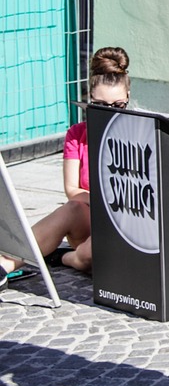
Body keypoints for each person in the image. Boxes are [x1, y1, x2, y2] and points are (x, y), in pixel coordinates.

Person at [0, 47, 131, 285]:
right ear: (89, 100)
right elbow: (72, 189)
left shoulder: (138, 133)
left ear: (128, 98)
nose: (108, 113)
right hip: (89, 219)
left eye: (117, 106)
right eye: (100, 105)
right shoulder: (77, 134)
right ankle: (4, 266)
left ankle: (67, 258)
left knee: (92, 255)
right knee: (71, 208)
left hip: (126, 226)